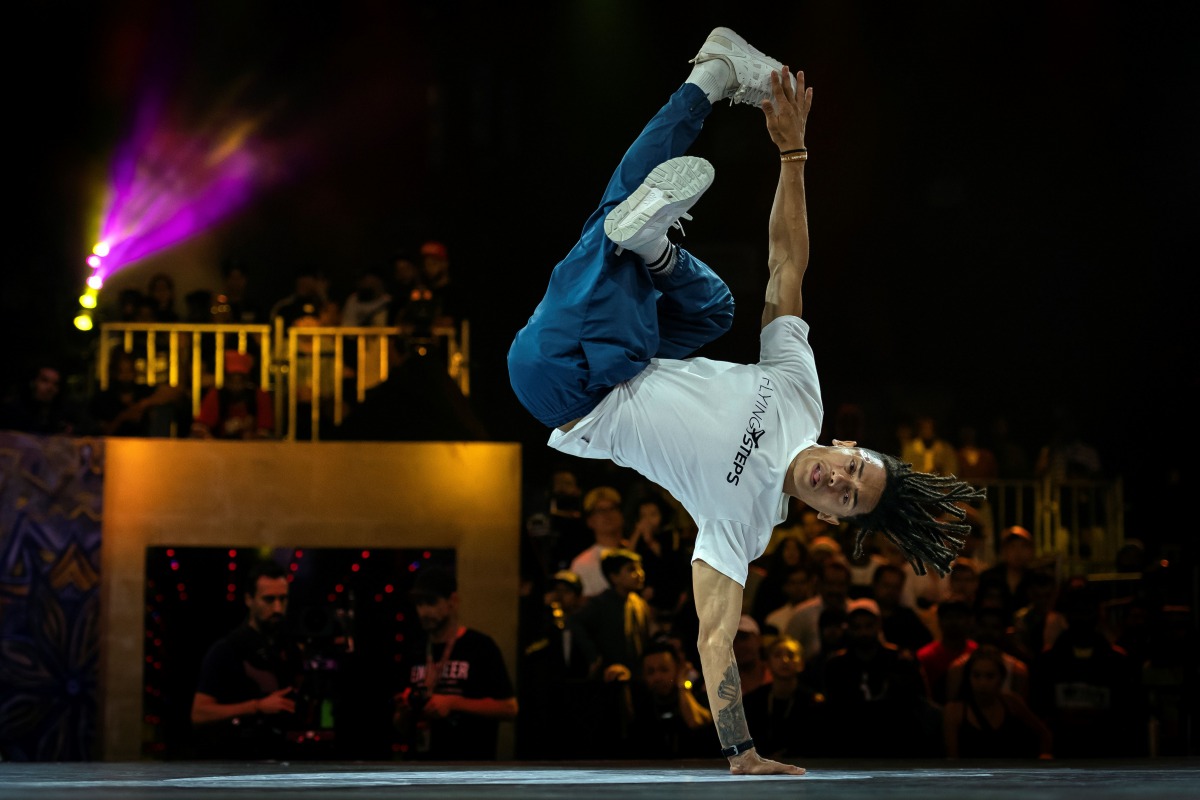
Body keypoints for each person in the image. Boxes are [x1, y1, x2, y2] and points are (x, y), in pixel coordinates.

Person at [506, 25, 983, 775]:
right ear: (847, 448)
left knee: (613, 223)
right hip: (622, 339)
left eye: (847, 502)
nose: (838, 483)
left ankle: (689, 132)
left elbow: (715, 634)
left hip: (566, 382)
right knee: (718, 308)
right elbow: (787, 263)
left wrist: (741, 748)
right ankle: (664, 212)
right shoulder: (799, 393)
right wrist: (792, 154)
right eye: (853, 473)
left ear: (829, 521)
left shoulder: (746, 523)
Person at [394, 565, 518, 761]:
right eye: (419, 603)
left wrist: (453, 703)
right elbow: (400, 726)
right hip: (421, 771)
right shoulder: (415, 651)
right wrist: (404, 711)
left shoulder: (480, 646)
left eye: (431, 602)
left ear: (453, 601)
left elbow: (509, 709)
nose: (423, 611)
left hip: (469, 769)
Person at [191, 561, 303, 760]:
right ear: (249, 599)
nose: (278, 608)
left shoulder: (290, 649)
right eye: (269, 599)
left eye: (283, 599)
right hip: (235, 761)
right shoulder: (227, 649)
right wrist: (257, 706)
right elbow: (199, 713)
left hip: (280, 760)